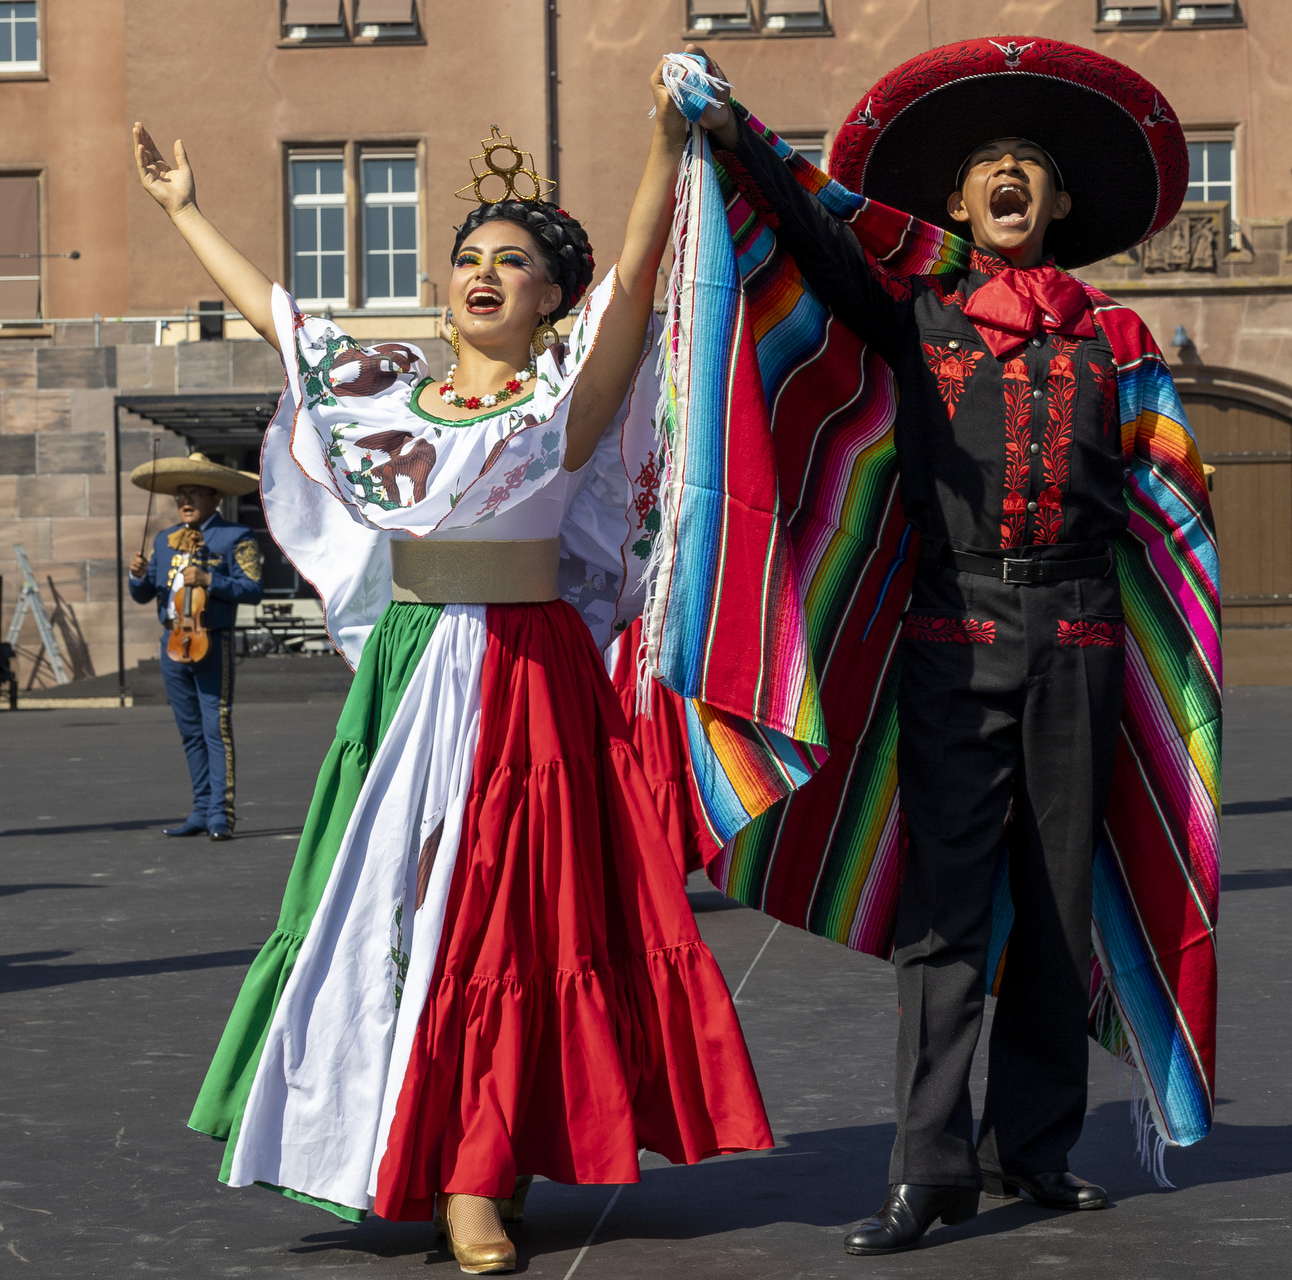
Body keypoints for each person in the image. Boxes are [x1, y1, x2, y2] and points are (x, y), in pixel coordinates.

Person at [139, 62, 771, 1276]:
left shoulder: (560, 406)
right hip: (416, 674)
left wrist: (658, 140)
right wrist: (181, 212)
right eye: (469, 255)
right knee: (404, 910)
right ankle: (440, 1150)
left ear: (549, 301)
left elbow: (637, 277)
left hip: (528, 678)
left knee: (516, 923)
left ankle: (483, 1169)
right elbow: (288, 323)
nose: (484, 271)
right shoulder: (394, 404)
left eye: (514, 261)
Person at [664, 38, 1220, 1256]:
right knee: (946, 909)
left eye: (1030, 165)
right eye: (987, 168)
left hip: (1081, 633)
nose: (1010, 176)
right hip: (951, 631)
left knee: (1060, 897)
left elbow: (1170, 501)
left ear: (1060, 203)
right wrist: (732, 134)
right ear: (958, 205)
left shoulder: (1118, 337)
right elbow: (812, 236)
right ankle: (930, 1166)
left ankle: (1038, 1148)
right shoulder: (912, 312)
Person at [127, 455, 264, 840]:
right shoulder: (163, 540)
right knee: (189, 731)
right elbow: (145, 593)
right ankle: (201, 810)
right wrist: (135, 577)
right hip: (172, 643)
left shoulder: (235, 537)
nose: (185, 501)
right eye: (180, 495)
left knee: (215, 728)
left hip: (211, 642)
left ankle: (221, 813)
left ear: (215, 498)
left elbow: (253, 590)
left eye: (195, 494)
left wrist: (210, 578)